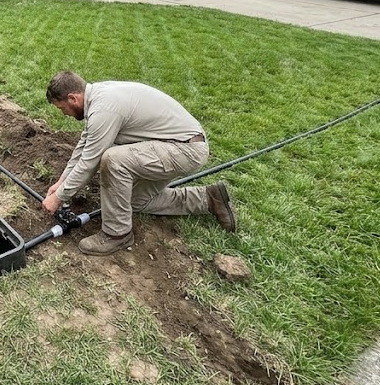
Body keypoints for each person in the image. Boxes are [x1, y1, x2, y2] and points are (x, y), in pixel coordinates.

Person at [41, 71, 236, 256]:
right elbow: (84, 146)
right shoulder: (98, 98)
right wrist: (61, 182)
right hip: (173, 144)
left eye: (62, 108)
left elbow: (90, 161)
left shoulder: (104, 109)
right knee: (134, 201)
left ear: (73, 98)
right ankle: (208, 199)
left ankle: (116, 234)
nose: (63, 113)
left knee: (113, 160)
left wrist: (58, 198)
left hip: (184, 149)